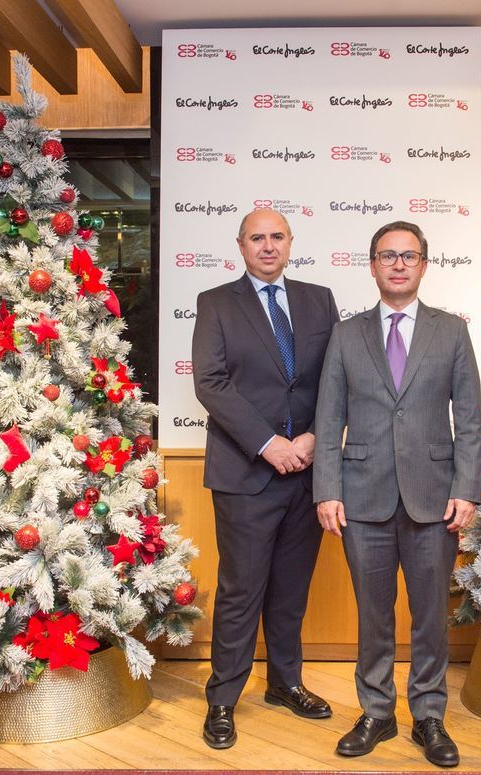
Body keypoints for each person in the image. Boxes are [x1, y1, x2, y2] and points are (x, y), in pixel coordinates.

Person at [313, 221, 481, 768]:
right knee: (373, 614)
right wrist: (326, 489)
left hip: (435, 498)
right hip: (361, 498)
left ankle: (429, 716)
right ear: (372, 265)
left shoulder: (451, 332)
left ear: (424, 265)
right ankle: (377, 713)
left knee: (431, 614)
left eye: (409, 255)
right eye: (388, 255)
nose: (399, 264)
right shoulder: (347, 333)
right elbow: (329, 415)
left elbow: (470, 419)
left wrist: (467, 489)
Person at [192, 208, 339, 749]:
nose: (268, 245)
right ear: (241, 246)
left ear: (291, 242)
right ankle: (223, 699)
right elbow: (210, 382)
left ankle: (285, 683)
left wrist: (314, 439)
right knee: (240, 591)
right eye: (258, 237)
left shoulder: (318, 299)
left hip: (307, 473)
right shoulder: (216, 303)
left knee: (290, 592)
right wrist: (269, 443)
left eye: (277, 236)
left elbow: (335, 376)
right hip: (246, 473)